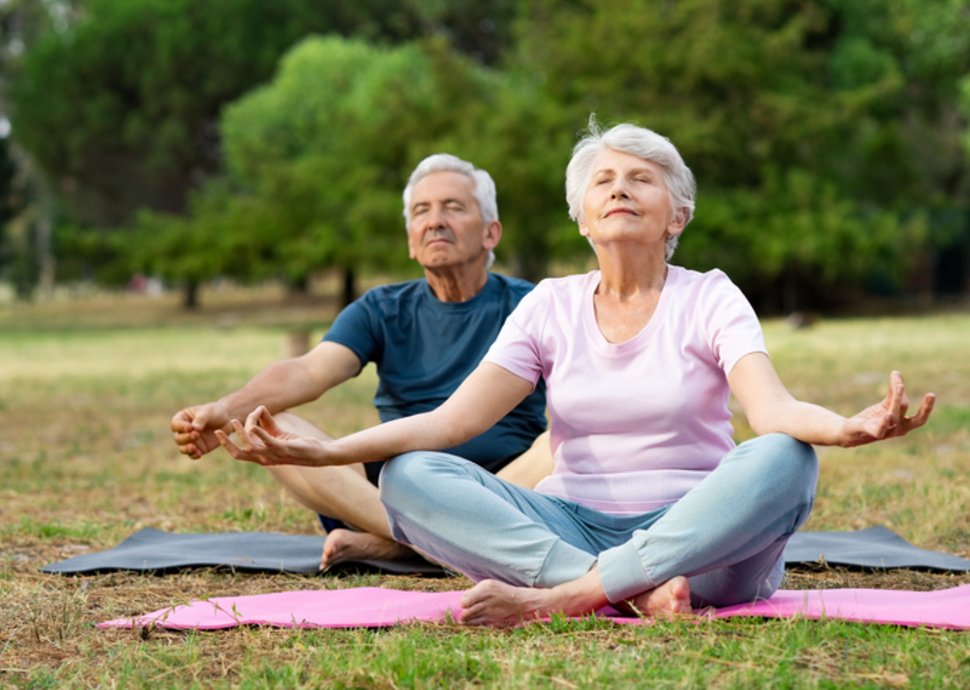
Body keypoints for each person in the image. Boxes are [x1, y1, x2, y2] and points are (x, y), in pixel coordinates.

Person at [216, 121, 935, 626]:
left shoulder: (711, 295)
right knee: (411, 475)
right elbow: (452, 423)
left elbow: (771, 411)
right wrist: (329, 450)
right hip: (573, 528)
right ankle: (616, 589)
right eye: (604, 180)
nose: (620, 188)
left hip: (702, 543)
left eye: (641, 180)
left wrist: (847, 427)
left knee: (785, 459)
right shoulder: (551, 305)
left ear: (676, 212)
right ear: (582, 216)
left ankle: (568, 597)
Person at [170, 153, 549, 569]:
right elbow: (309, 371)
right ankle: (437, 543)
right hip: (395, 488)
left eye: (453, 207)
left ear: (491, 233)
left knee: (561, 444)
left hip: (506, 483)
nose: (435, 221)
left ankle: (400, 546)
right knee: (270, 423)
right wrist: (224, 410)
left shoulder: (534, 304)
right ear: (410, 239)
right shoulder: (381, 308)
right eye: (421, 211)